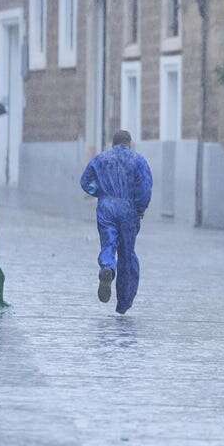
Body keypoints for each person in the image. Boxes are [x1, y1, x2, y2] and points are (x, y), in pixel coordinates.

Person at [80, 130, 153, 314]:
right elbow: (145, 187)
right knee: (127, 254)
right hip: (128, 209)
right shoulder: (138, 160)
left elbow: (85, 181)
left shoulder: (101, 159)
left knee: (108, 243)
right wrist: (140, 208)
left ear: (112, 143)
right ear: (129, 143)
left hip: (106, 207)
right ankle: (123, 303)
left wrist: (100, 192)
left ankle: (107, 268)